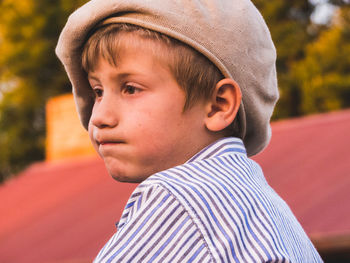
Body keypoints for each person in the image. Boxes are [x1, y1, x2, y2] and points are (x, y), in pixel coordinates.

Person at [56, 0, 323, 262]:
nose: (99, 116)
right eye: (98, 92)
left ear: (218, 106)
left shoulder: (180, 198)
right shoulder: (272, 213)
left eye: (130, 89)